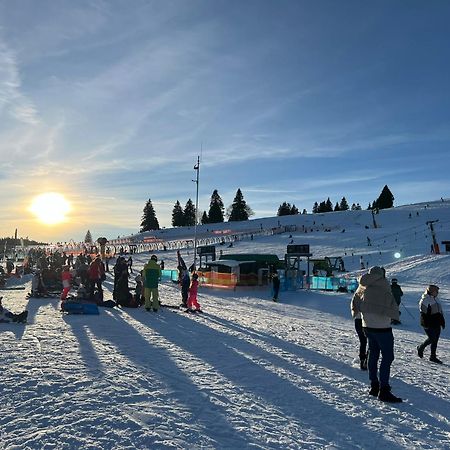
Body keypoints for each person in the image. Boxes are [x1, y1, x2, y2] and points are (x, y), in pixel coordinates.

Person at [351, 266, 402, 403]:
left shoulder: (362, 285)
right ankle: (384, 390)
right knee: (387, 357)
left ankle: (374, 385)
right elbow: (391, 304)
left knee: (373, 354)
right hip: (382, 327)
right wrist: (394, 315)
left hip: (367, 325)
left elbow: (355, 302)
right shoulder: (384, 284)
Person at [417, 285, 446, 364]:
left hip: (437, 323)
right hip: (428, 323)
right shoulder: (425, 300)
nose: (437, 293)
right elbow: (423, 313)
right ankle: (420, 347)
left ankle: (433, 356)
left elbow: (440, 312)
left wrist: (442, 321)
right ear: (431, 291)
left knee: (435, 340)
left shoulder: (436, 299)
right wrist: (426, 323)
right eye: (436, 291)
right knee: (432, 338)